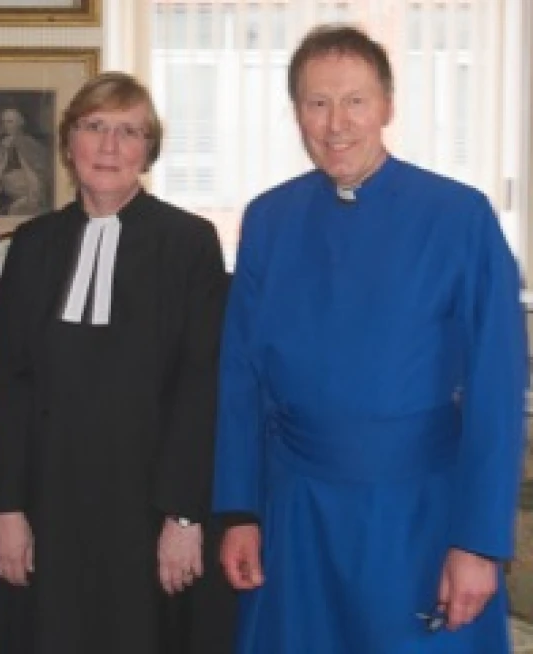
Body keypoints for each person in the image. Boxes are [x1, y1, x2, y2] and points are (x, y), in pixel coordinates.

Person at [213, 24, 527, 654]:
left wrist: (479, 541)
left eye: (355, 100)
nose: (336, 124)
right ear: (296, 110)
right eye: (317, 102)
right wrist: (240, 511)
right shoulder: (269, 219)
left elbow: (497, 387)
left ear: (387, 106)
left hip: (418, 517)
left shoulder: (459, 217)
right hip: (296, 514)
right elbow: (240, 376)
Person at [0, 71, 228, 654]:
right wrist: (6, 508)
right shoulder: (33, 245)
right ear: (68, 144)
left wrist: (184, 517)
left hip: (148, 510)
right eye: (95, 128)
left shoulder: (190, 243)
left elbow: (201, 386)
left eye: (129, 132)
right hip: (48, 507)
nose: (110, 147)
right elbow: (8, 384)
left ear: (149, 149)